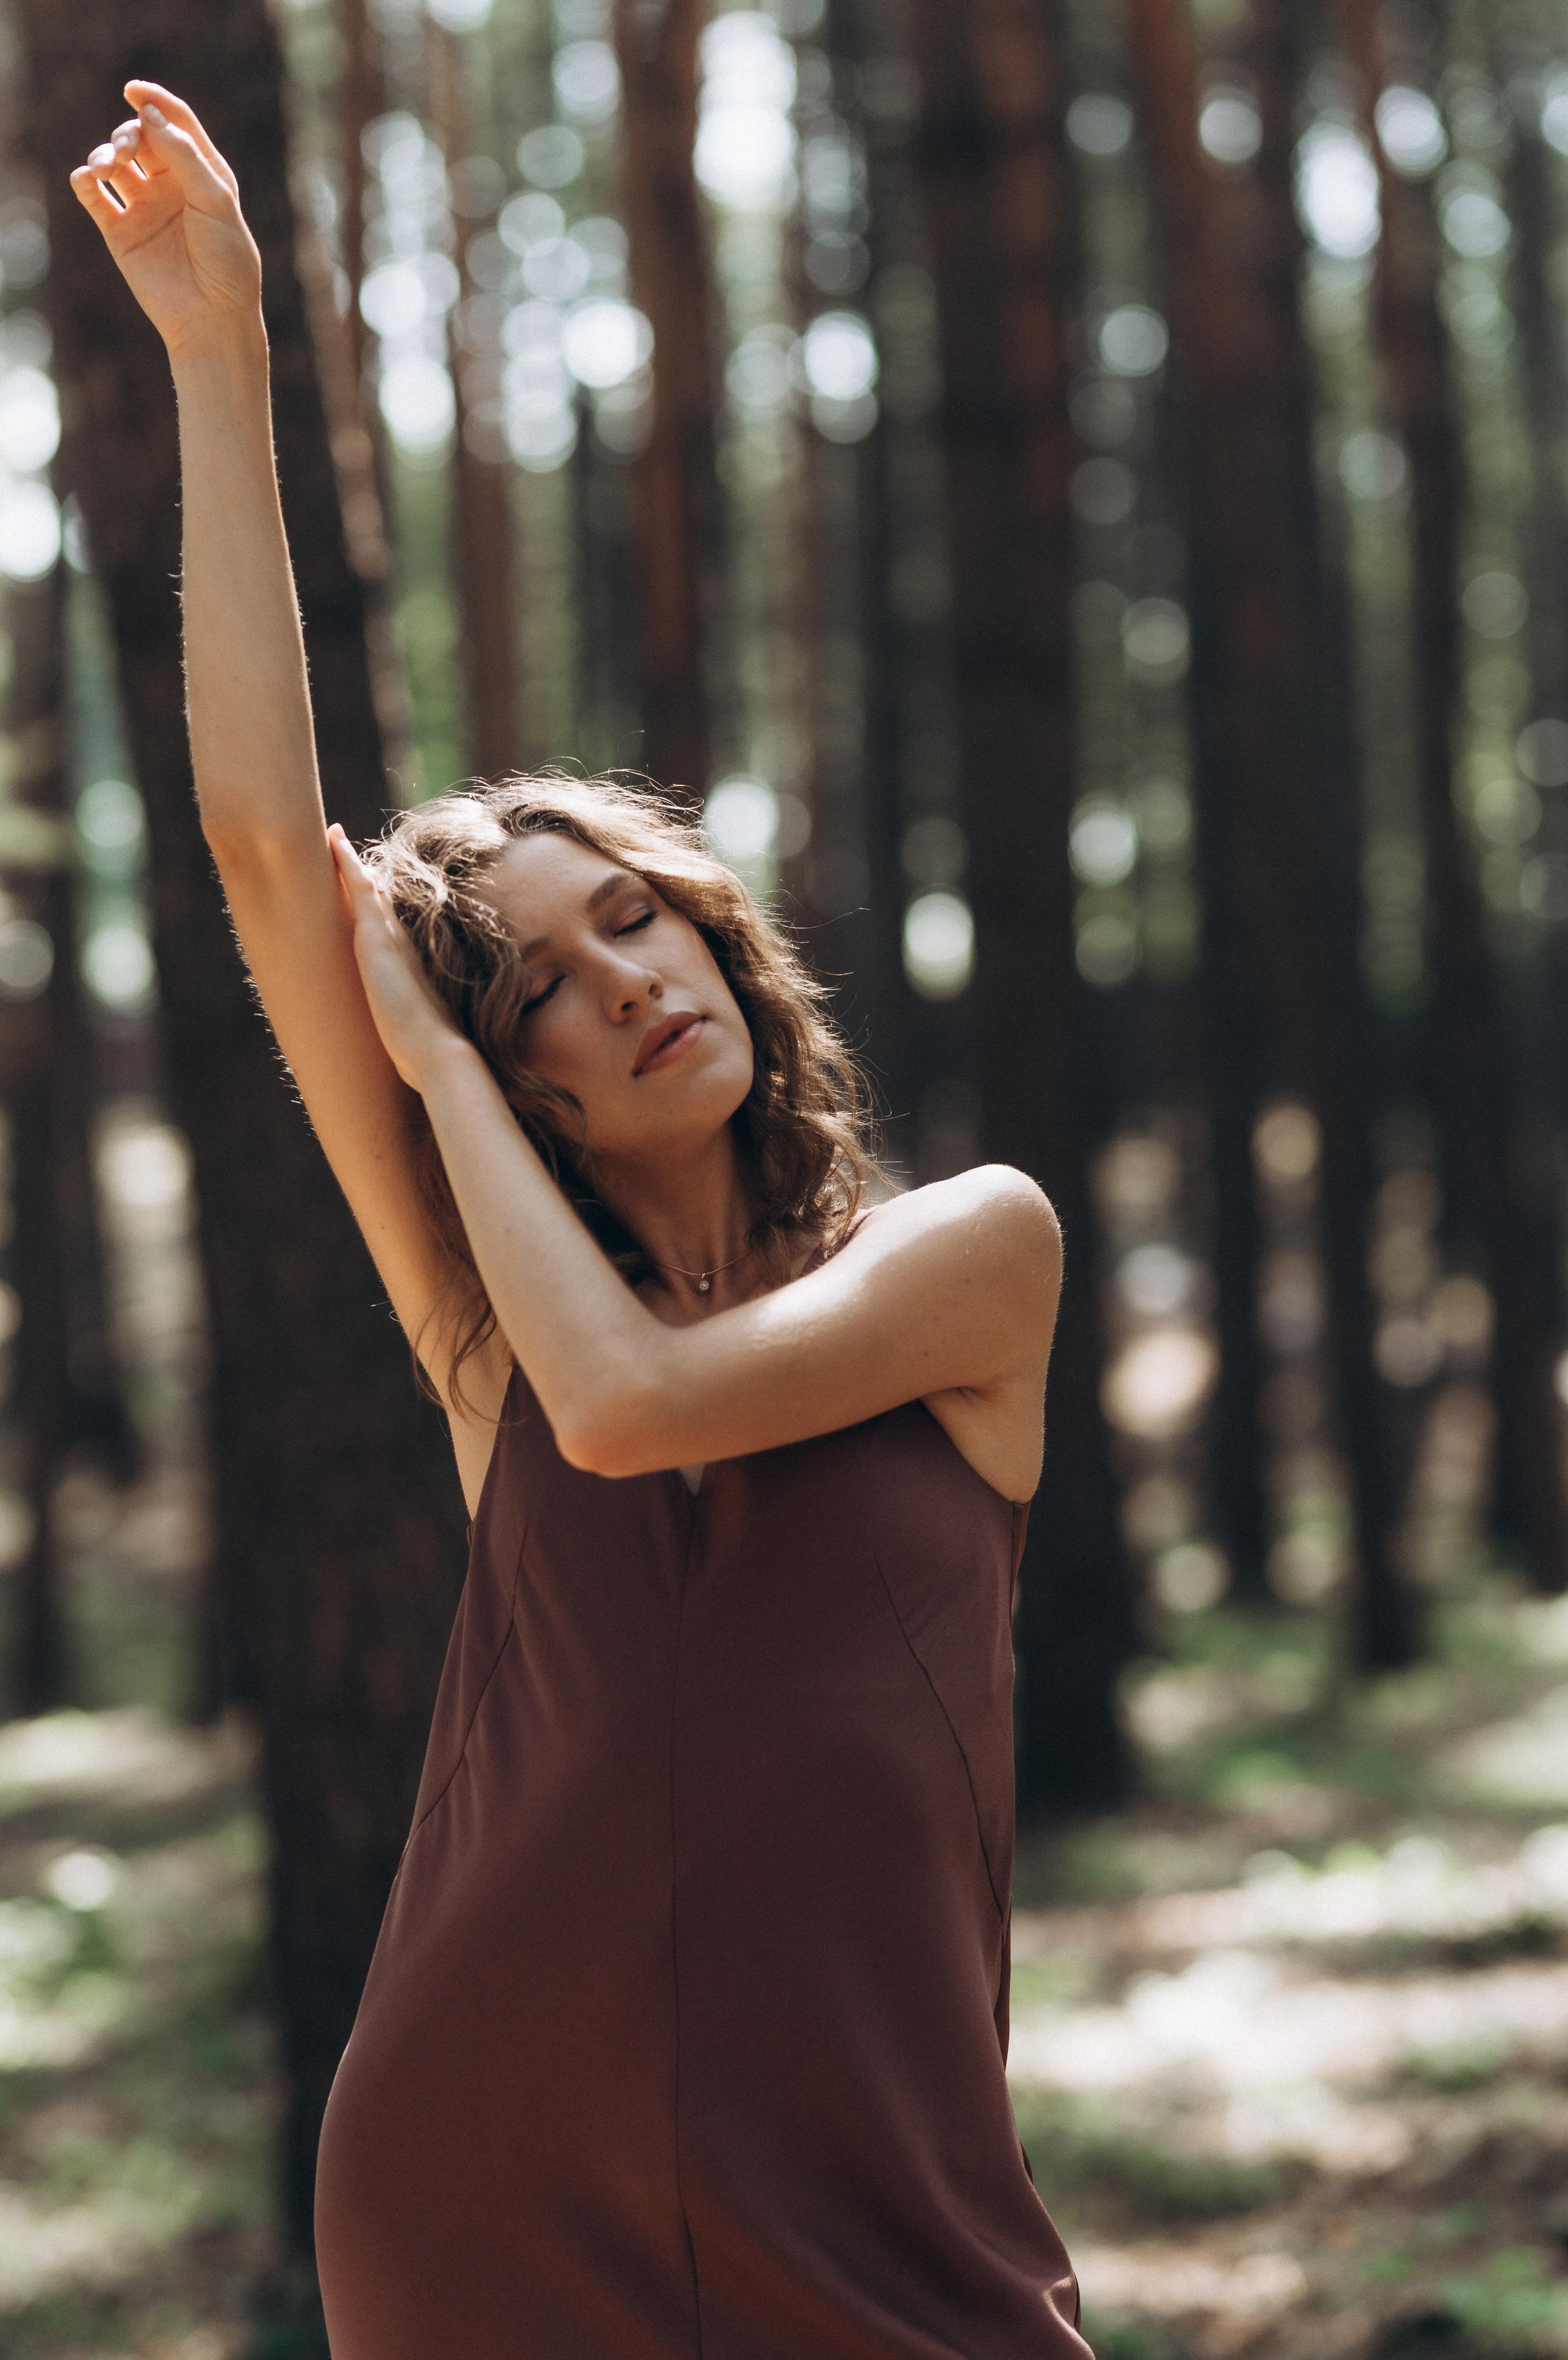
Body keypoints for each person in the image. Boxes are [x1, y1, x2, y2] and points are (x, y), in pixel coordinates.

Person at [74, 85, 1088, 2359]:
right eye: (536, 982)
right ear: (517, 1077)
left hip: (882, 2220)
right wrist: (228, 358)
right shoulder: (492, 1352)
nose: (626, 981)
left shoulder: (966, 1263)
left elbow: (641, 1412)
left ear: (728, 943)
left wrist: (435, 1062)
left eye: (640, 919)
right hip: (488, 2190)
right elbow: (264, 852)